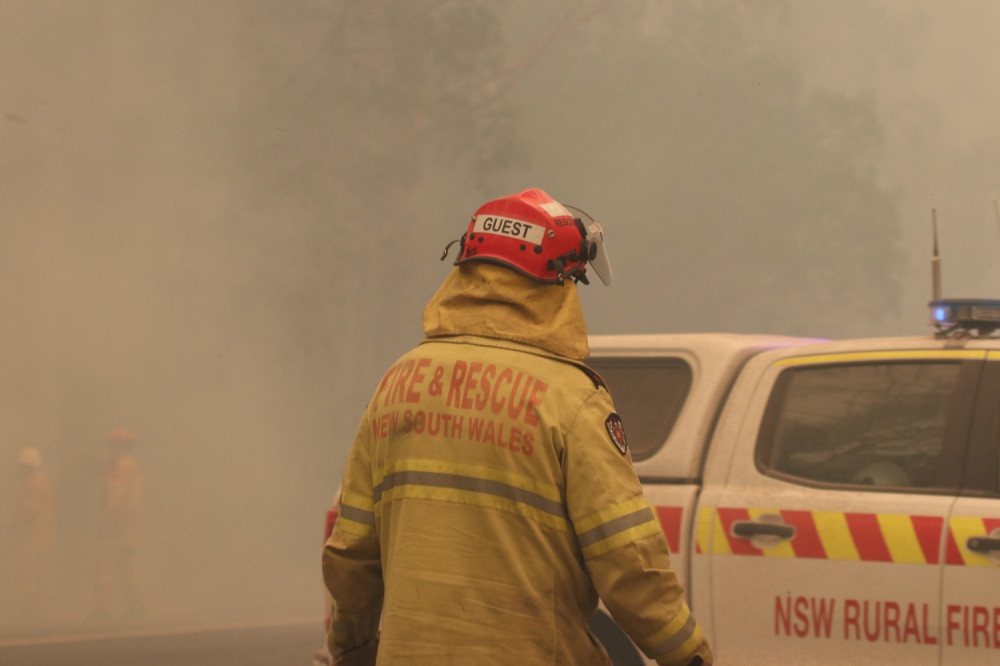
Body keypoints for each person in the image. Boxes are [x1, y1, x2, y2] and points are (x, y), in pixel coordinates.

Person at [322, 188, 712, 665]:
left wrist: (352, 648)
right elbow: (628, 561)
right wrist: (689, 655)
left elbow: (351, 551)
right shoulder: (571, 399)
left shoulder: (398, 382)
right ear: (557, 281)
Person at [92, 428, 145, 621]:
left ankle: (103, 610)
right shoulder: (131, 466)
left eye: (115, 446)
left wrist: (105, 523)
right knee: (128, 568)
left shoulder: (120, 467)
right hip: (130, 529)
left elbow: (115, 496)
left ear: (123, 447)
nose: (112, 449)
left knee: (104, 568)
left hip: (115, 528)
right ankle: (136, 608)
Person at [13, 446, 54, 622]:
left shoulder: (33, 483)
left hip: (32, 537)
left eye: (22, 466)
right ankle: (39, 611)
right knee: (38, 574)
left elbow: (30, 510)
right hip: (40, 536)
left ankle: (31, 613)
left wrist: (15, 522)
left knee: (29, 575)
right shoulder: (40, 481)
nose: (20, 470)